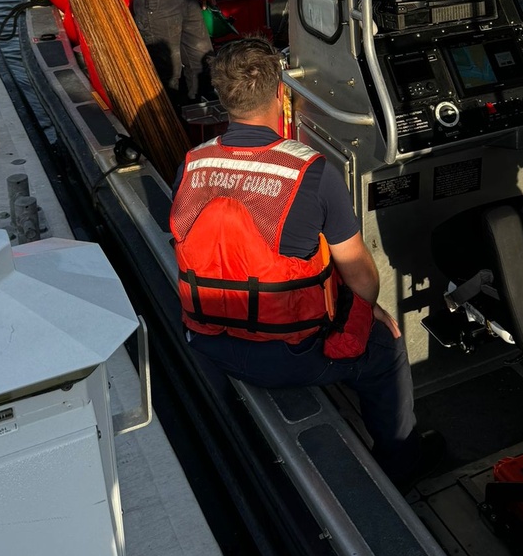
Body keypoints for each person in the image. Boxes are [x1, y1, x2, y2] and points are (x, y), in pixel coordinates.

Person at [169, 37, 436, 488]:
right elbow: (362, 279)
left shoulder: (191, 164)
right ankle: (401, 464)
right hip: (292, 358)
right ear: (280, 94)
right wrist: (369, 312)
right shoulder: (312, 173)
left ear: (222, 102)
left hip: (207, 342)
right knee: (386, 347)